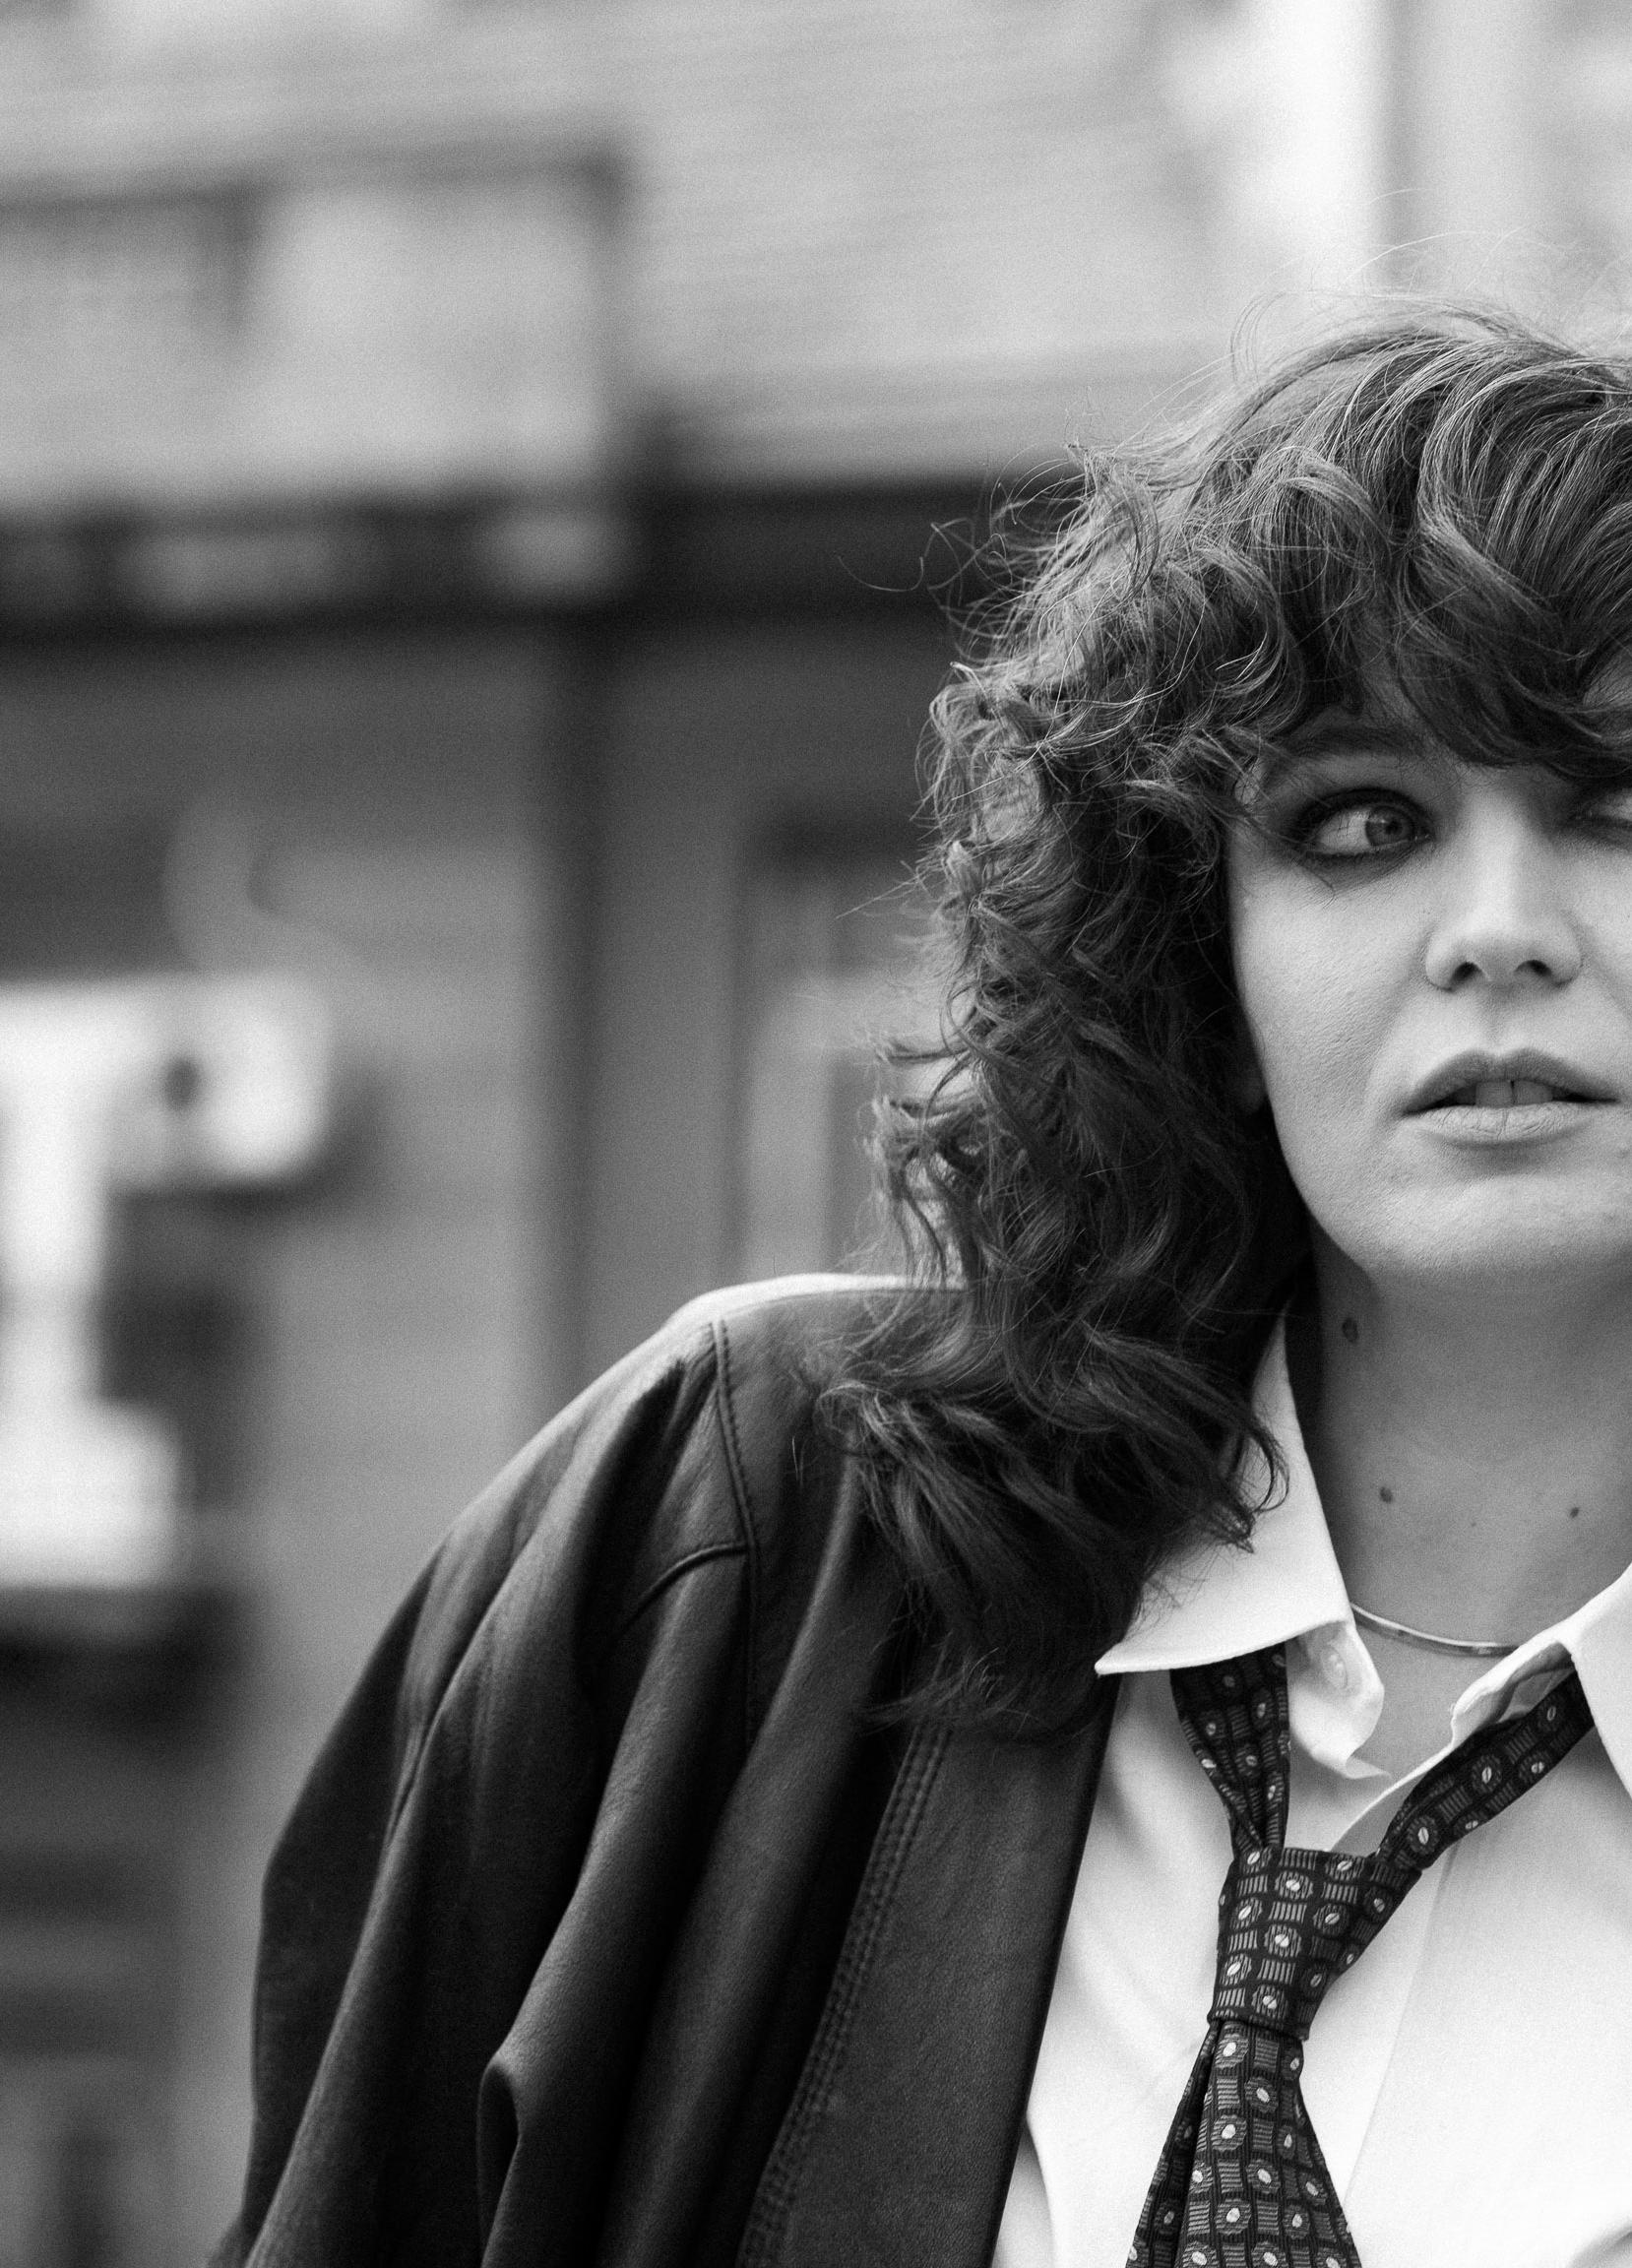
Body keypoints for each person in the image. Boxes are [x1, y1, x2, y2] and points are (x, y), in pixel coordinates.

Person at [215, 307, 1632, 2268]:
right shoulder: (728, 1533)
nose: (1495, 933)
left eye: (1615, 801)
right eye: (1357, 824)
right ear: (1200, 958)